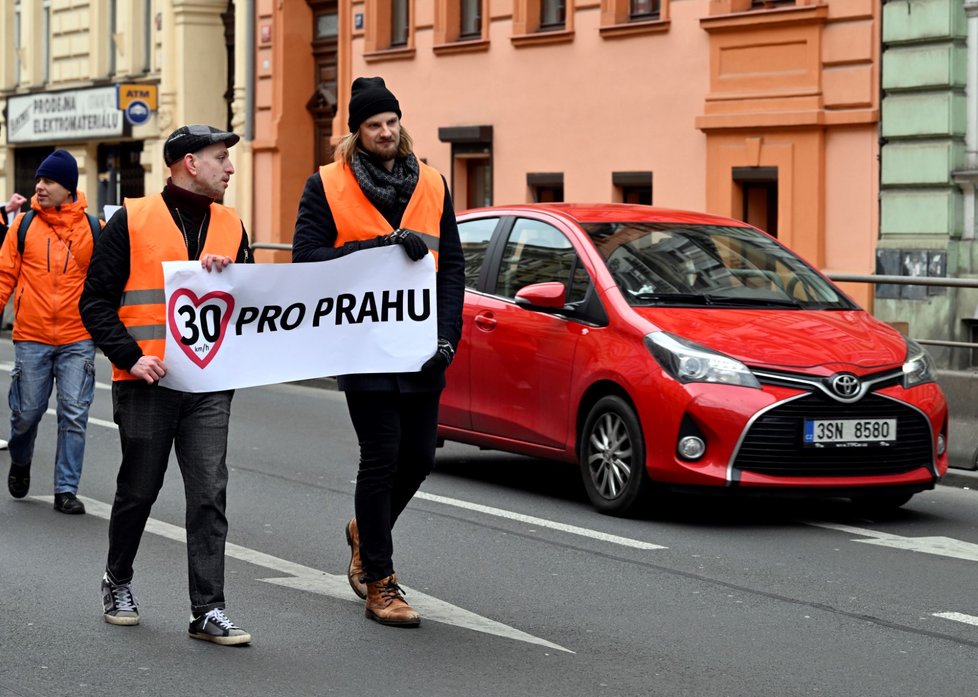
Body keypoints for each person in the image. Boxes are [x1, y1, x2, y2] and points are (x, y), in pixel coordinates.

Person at [292, 77, 465, 628]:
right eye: (374, 125)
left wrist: (448, 336)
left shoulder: (433, 183)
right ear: (356, 133)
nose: (386, 131)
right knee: (382, 455)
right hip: (363, 347)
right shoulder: (326, 185)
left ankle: (363, 531)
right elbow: (307, 260)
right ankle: (380, 583)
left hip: (420, 349)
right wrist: (379, 246)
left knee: (419, 459)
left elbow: (453, 268)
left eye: (392, 122)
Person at [79, 125, 254, 646]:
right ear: (188, 163)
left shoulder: (231, 223)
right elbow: (95, 303)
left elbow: (250, 305)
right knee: (139, 490)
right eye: (220, 158)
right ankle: (118, 580)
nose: (229, 168)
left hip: (208, 384)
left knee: (209, 494)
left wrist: (230, 277)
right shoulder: (131, 220)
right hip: (145, 382)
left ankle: (209, 609)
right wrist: (131, 358)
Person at [0, 152, 100, 514]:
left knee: (74, 412)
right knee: (26, 412)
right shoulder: (23, 226)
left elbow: (105, 282)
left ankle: (66, 490)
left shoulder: (93, 229)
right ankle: (21, 458)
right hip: (31, 335)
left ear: (68, 188)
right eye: (38, 181)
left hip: (78, 337)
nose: (39, 187)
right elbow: (3, 277)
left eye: (48, 182)